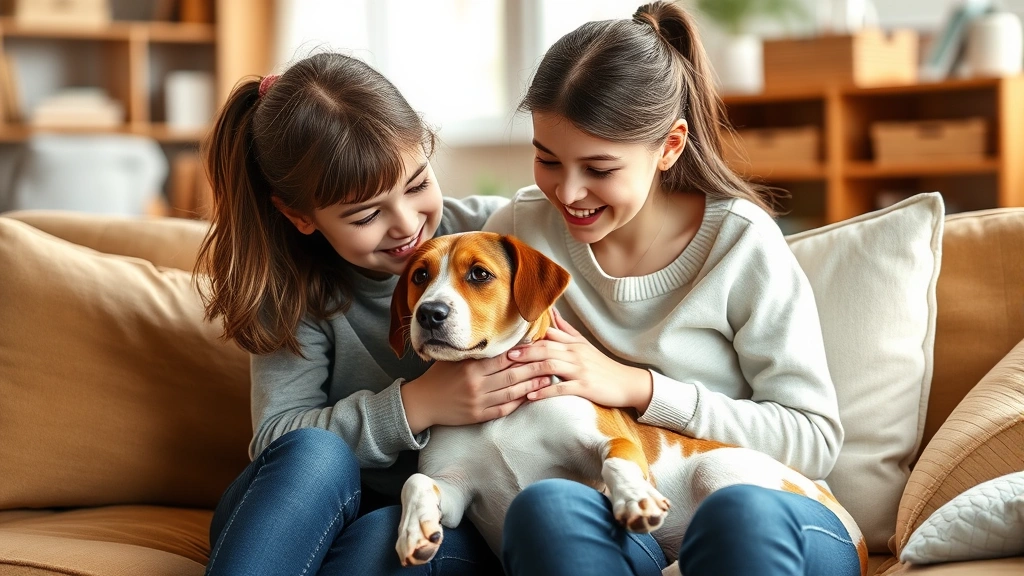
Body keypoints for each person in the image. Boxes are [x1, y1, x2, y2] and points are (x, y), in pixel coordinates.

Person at [485, 3, 859, 576]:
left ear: (670, 146)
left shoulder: (741, 243)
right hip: (630, 520)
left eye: (600, 169)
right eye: (547, 159)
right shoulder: (517, 232)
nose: (569, 192)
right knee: (547, 508)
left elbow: (813, 439)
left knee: (735, 513)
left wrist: (639, 388)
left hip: (772, 514)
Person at [195, 52, 551, 576]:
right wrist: (417, 405)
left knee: (395, 534)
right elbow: (275, 440)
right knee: (314, 453)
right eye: (365, 215)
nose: (406, 224)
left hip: (428, 512)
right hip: (297, 512)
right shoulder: (294, 290)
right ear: (300, 217)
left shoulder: (493, 237)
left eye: (418, 184)